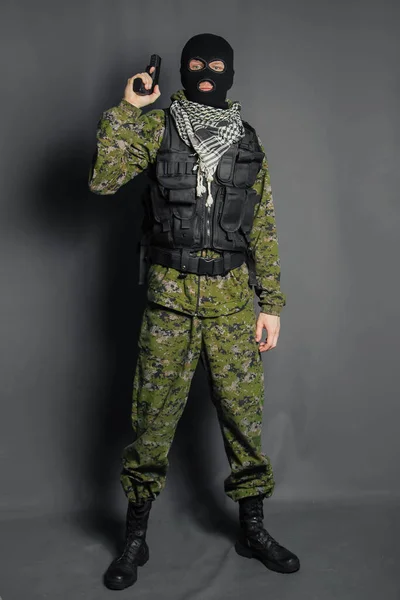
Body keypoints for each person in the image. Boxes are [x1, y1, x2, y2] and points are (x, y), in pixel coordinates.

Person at [88, 32, 300, 591]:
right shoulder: (157, 127)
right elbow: (102, 178)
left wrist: (271, 304)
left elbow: (263, 228)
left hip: (232, 307)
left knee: (243, 420)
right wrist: (129, 110)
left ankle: (252, 528)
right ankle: (134, 536)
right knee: (152, 422)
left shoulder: (247, 141)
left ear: (231, 73)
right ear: (182, 70)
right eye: (197, 65)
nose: (207, 74)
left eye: (217, 66)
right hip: (170, 305)